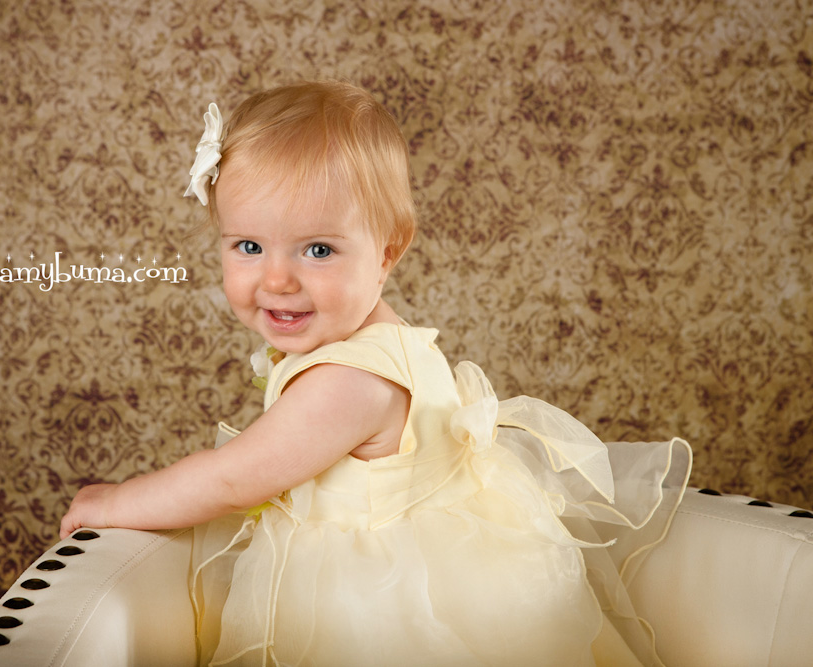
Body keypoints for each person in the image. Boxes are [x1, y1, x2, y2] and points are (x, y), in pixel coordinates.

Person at [60, 80, 692, 666]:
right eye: (248, 246)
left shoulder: (351, 382)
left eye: (318, 250)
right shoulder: (381, 338)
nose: (277, 279)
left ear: (387, 252)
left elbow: (231, 480)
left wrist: (115, 502)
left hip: (382, 610)